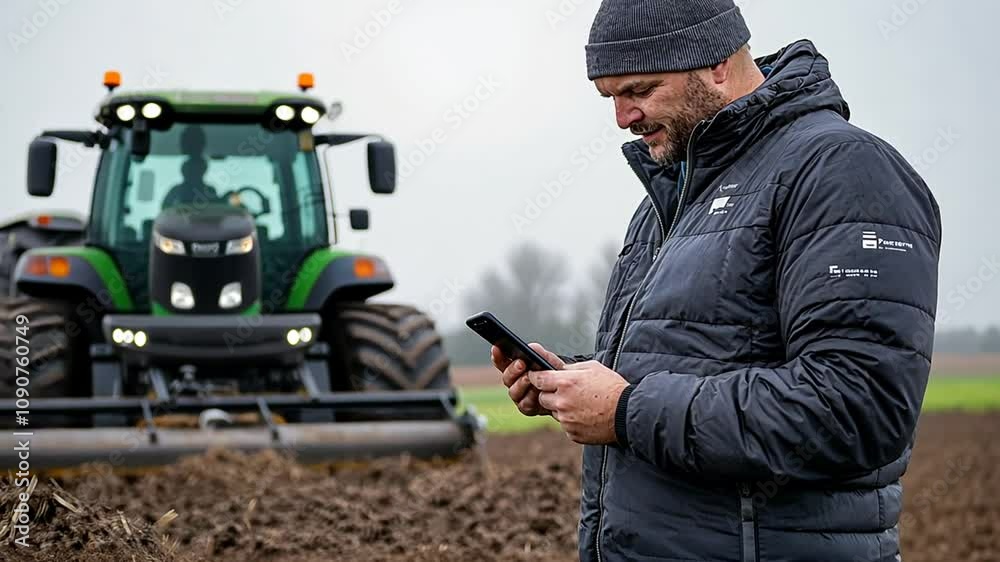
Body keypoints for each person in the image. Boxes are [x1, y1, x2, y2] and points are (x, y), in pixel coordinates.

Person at [491, 1, 941, 560]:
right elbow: (685, 361)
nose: (623, 119)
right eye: (610, 98)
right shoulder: (673, 196)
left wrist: (627, 411)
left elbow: (858, 407)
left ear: (718, 64)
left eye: (640, 89)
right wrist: (571, 381)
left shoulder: (843, 172)